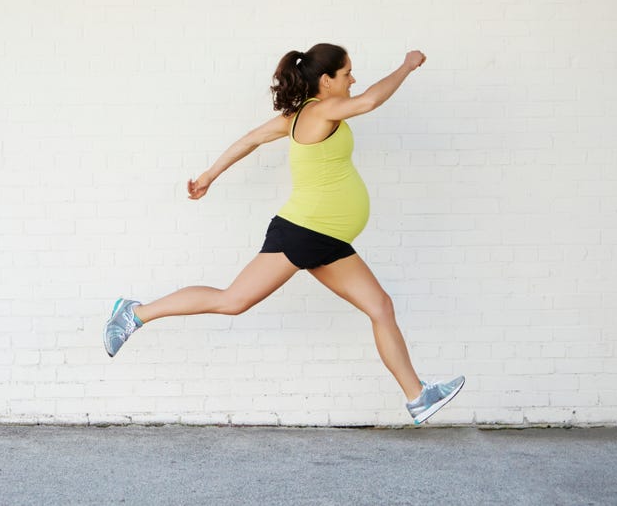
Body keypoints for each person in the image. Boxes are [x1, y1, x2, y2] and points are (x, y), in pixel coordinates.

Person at [103, 43, 464, 425]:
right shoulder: (322, 110)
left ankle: (417, 397)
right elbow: (369, 101)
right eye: (347, 74)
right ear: (326, 81)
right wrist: (407, 65)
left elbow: (250, 140)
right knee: (233, 301)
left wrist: (210, 175)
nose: (353, 79)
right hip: (304, 231)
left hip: (327, 239)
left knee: (380, 307)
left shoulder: (297, 117)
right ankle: (134, 313)